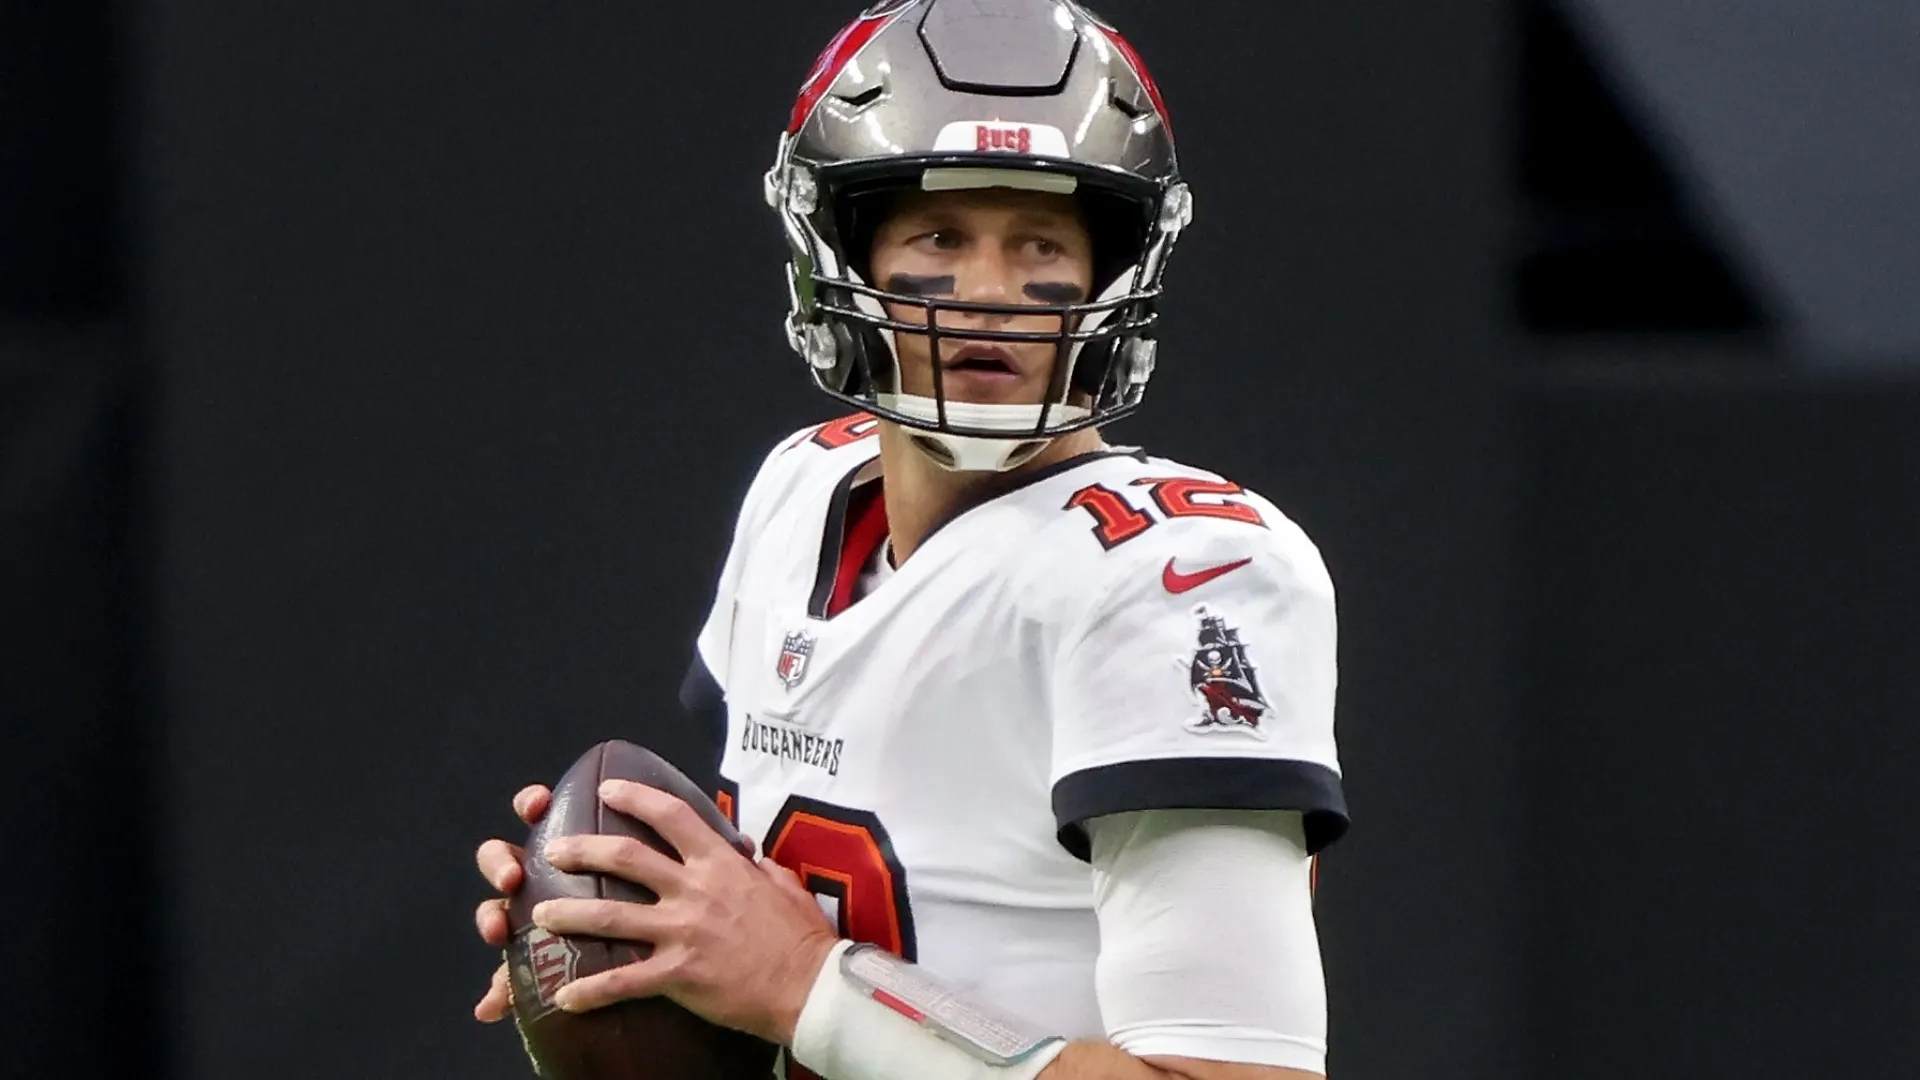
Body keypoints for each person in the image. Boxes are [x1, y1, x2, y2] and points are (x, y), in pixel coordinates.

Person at [472, 2, 1349, 1078]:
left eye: (1039, 242)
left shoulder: (1183, 576)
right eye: (942, 237)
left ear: (1112, 273)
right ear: (840, 253)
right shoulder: (801, 489)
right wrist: (631, 936)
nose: (989, 293)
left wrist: (805, 985)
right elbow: (806, 909)